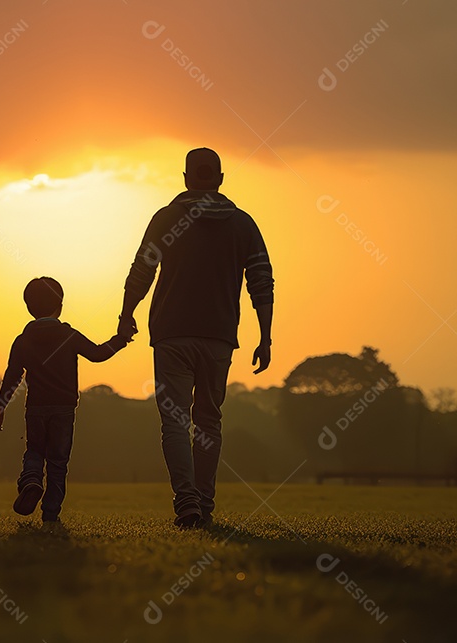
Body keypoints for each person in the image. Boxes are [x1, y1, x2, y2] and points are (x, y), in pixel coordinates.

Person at [118, 147, 275, 528]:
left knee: (174, 422)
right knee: (209, 421)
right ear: (220, 179)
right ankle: (204, 503)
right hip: (219, 336)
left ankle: (186, 501)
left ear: (186, 178)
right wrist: (265, 336)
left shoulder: (166, 218)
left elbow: (142, 270)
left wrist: (127, 315)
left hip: (172, 333)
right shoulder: (243, 224)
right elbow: (262, 282)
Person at [0, 276, 129, 525]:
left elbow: (12, 375)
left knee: (34, 450)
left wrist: (1, 406)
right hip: (64, 409)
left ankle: (32, 479)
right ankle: (51, 515)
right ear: (60, 305)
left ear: (29, 307)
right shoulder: (69, 335)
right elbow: (98, 354)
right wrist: (120, 339)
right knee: (58, 462)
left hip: (35, 408)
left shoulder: (22, 340)